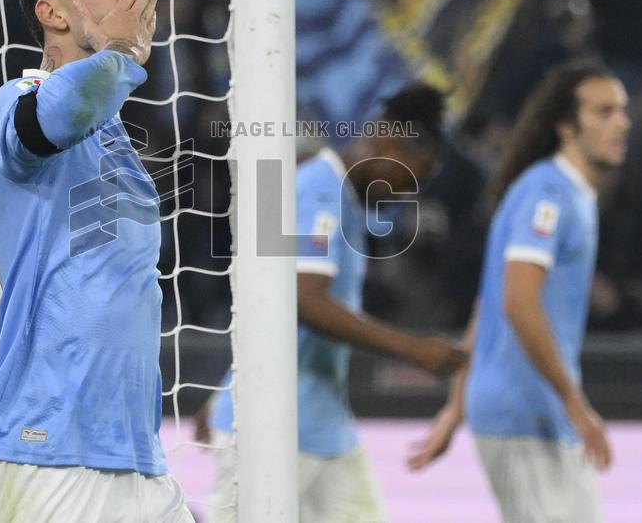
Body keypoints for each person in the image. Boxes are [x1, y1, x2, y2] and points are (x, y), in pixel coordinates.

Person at [0, 0, 193, 522]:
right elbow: (46, 123)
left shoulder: (109, 133)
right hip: (45, 454)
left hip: (132, 456)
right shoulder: (13, 102)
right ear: (51, 13)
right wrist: (117, 56)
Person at [196, 84, 467, 523]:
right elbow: (305, 302)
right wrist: (412, 349)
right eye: (408, 178)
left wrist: (226, 386)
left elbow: (268, 304)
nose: (405, 194)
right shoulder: (317, 191)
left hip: (319, 425)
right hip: (272, 428)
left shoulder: (334, 197)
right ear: (385, 142)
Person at [410, 58, 630, 523]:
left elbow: (488, 303)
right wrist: (574, 400)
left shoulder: (563, 193)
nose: (621, 123)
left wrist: (455, 405)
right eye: (604, 112)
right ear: (567, 127)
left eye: (621, 110)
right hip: (527, 412)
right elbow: (516, 302)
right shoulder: (548, 194)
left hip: (532, 410)